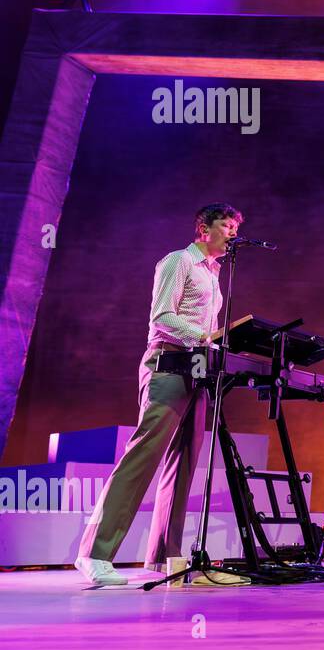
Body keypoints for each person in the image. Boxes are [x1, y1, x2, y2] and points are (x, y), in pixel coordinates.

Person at [75, 204, 249, 586]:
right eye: (227, 224)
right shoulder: (178, 261)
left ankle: (166, 561)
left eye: (237, 225)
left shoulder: (215, 273)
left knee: (183, 464)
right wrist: (204, 337)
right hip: (168, 364)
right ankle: (95, 553)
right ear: (204, 229)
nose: (234, 231)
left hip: (197, 371)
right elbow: (161, 317)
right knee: (143, 456)